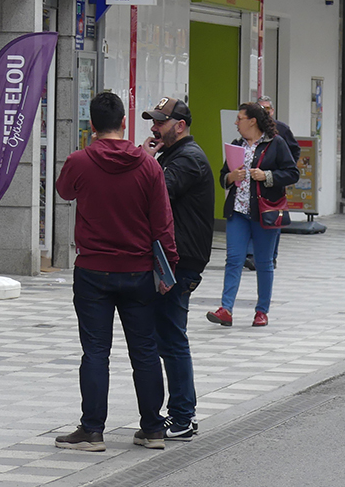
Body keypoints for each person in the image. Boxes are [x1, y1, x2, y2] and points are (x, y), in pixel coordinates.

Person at [54, 91, 178, 453]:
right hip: (138, 270)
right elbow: (163, 222)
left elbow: (63, 191)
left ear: (92, 124)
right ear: (124, 122)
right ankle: (152, 429)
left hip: (93, 269)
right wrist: (168, 268)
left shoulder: (80, 160)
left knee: (95, 351)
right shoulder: (148, 166)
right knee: (145, 350)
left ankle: (92, 430)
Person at [141, 97, 214, 441]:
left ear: (180, 126)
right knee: (168, 337)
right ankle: (183, 413)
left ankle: (183, 416)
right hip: (176, 259)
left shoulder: (187, 160)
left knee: (171, 339)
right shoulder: (173, 156)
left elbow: (154, 194)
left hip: (179, 261)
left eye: (161, 122)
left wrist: (144, 159)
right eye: (154, 121)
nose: (155, 127)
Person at [208, 103, 299, 328]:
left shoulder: (275, 143)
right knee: (233, 259)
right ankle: (226, 309)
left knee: (263, 261)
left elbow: (292, 173)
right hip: (238, 211)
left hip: (265, 212)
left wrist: (266, 176)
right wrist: (231, 177)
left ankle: (261, 311)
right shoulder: (237, 145)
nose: (236, 122)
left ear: (252, 121)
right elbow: (223, 176)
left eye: (240, 118)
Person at [246, 97, 300, 269]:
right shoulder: (248, 131)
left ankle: (271, 256)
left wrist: (279, 171)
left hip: (273, 182)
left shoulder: (281, 130)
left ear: (273, 111)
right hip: (253, 185)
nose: (265, 112)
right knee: (252, 218)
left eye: (267, 109)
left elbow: (294, 152)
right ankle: (251, 255)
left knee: (273, 219)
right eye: (261, 109)